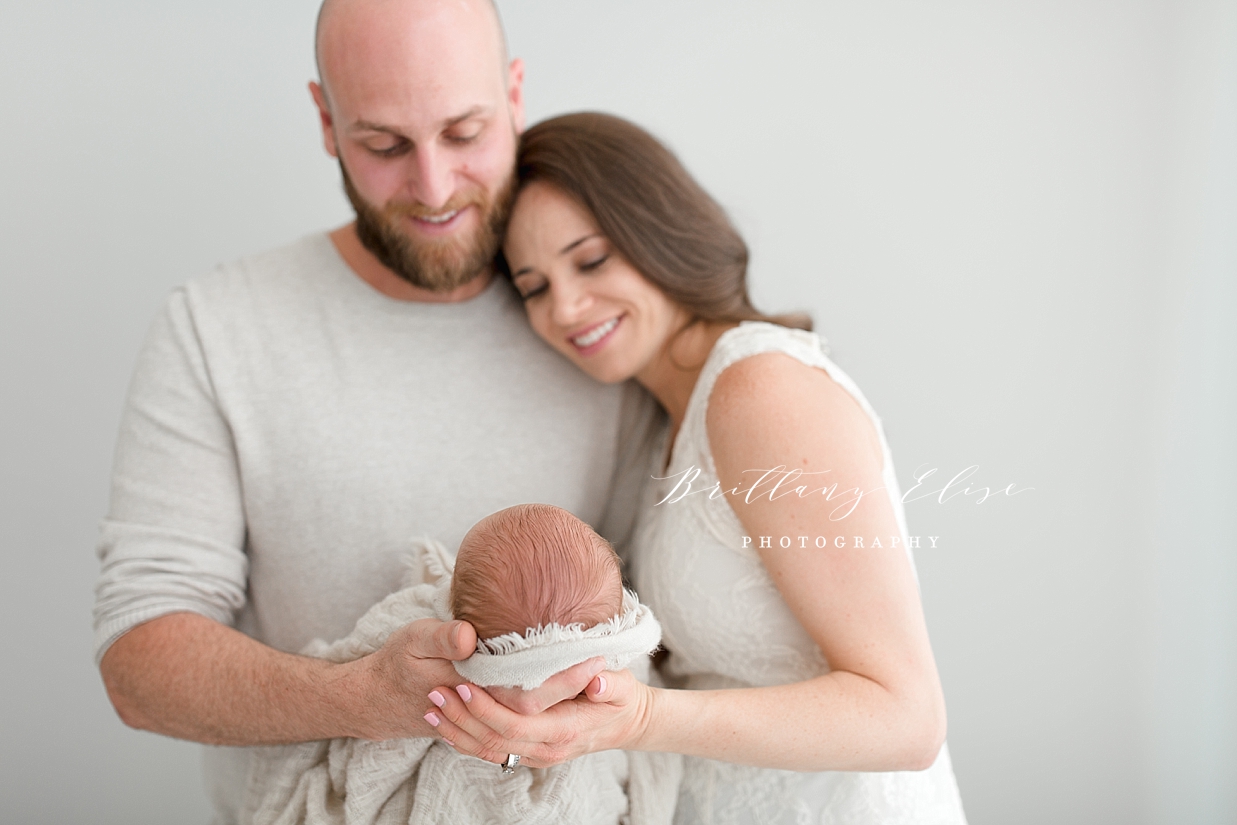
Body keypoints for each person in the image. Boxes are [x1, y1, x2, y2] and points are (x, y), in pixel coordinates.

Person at [92, 2, 656, 821]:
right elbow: (138, 660)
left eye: (464, 133)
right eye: (384, 145)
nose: (431, 187)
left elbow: (672, 626)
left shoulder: (594, 322)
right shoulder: (217, 326)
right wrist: (360, 697)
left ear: (514, 96)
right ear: (326, 120)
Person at [421, 113, 970, 824]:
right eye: (533, 286)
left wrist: (642, 717)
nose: (565, 306)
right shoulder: (666, 426)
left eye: (589, 260)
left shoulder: (760, 388)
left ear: (657, 229)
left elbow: (907, 717)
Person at [241, 504, 678, 825]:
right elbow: (641, 679)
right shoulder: (619, 646)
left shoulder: (418, 615)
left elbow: (357, 647)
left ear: (452, 601)